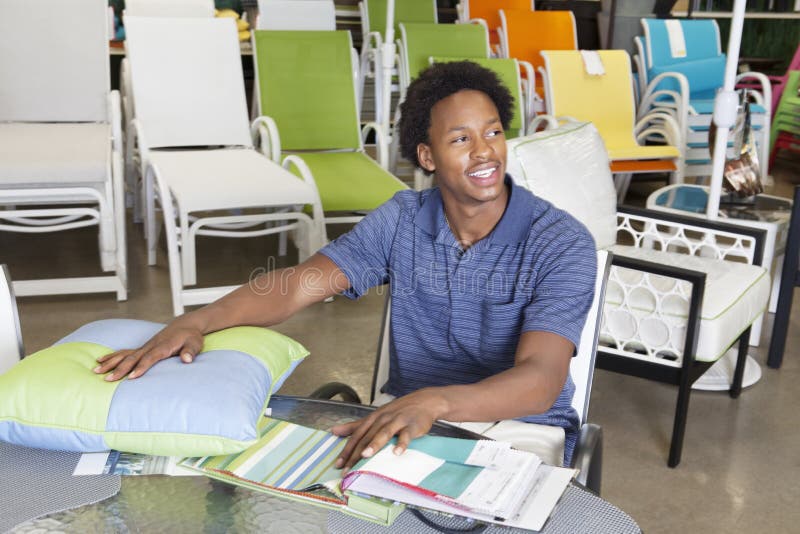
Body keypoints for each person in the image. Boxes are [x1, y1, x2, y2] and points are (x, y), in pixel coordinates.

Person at [94, 61, 596, 469]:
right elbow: (295, 285)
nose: (485, 151)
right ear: (427, 156)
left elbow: (540, 378)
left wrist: (436, 402)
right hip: (408, 419)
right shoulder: (401, 220)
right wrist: (193, 321)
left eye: (492, 132)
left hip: (523, 432)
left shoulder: (559, 242)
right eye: (461, 139)